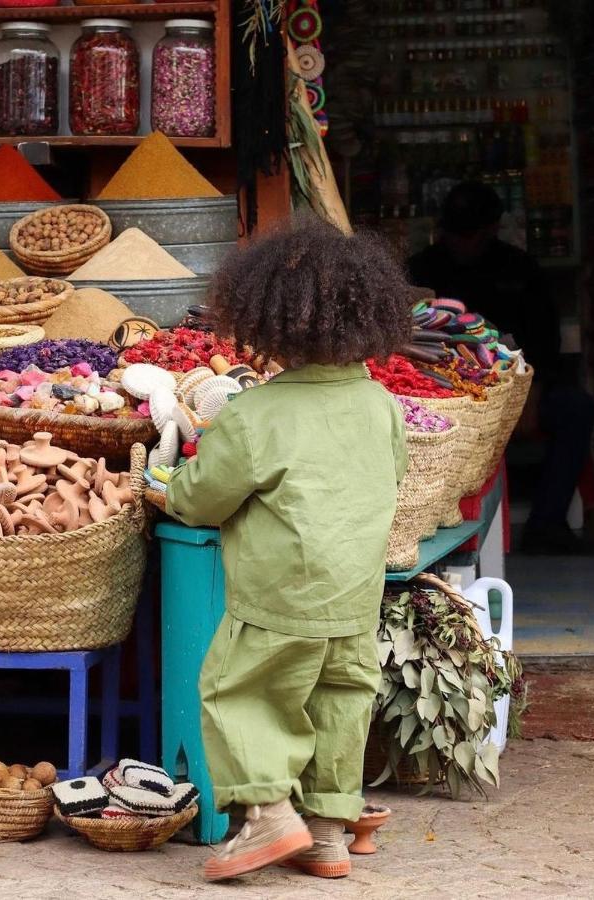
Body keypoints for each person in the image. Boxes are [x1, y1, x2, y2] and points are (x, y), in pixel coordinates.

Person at [166, 217, 412, 882]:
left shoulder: (253, 415)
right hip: (354, 597)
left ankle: (269, 814)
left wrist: (167, 477)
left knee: (237, 693)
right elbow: (387, 476)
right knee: (339, 699)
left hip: (279, 595)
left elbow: (198, 500)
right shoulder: (380, 405)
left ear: (268, 325)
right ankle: (328, 835)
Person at [408, 181, 594, 555]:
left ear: (492, 229)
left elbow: (545, 343)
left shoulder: (520, 269)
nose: (462, 244)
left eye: (471, 235)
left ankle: (546, 524)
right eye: (455, 234)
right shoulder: (420, 270)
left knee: (577, 409)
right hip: (443, 391)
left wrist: (532, 393)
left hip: (518, 388)